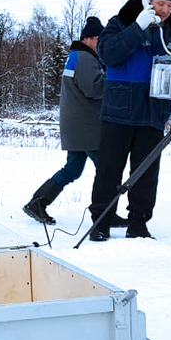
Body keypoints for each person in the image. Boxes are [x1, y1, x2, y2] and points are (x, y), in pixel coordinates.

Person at [88, 0, 171, 241]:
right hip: (118, 112)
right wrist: (138, 28)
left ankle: (139, 223)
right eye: (161, 3)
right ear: (148, 1)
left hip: (153, 113)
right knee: (109, 169)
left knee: (146, 173)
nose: (166, 10)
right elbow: (108, 53)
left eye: (170, 5)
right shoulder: (121, 22)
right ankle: (101, 221)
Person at [23, 17, 126, 227]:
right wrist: (114, 80)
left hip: (77, 126)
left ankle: (37, 203)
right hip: (88, 127)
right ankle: (106, 213)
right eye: (100, 39)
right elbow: (94, 89)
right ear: (90, 39)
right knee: (108, 169)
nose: (102, 44)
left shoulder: (76, 57)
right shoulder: (85, 58)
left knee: (72, 169)